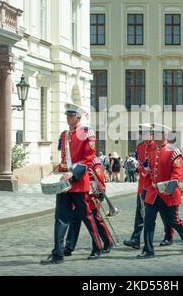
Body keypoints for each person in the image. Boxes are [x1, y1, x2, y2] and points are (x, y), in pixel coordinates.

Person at [41, 103, 103, 265]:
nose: (68, 118)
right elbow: (64, 160)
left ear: (78, 117)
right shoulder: (64, 135)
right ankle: (58, 252)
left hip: (79, 183)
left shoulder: (87, 133)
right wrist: (56, 172)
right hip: (64, 184)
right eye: (67, 115)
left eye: (71, 115)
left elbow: (88, 159)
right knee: (60, 218)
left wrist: (73, 173)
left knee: (87, 217)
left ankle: (97, 246)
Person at [137, 123, 183, 258]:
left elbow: (177, 174)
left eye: (157, 134)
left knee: (173, 221)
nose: (154, 137)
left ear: (164, 135)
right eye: (154, 134)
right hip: (153, 193)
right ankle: (148, 249)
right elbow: (149, 174)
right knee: (148, 220)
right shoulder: (152, 152)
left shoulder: (174, 151)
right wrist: (145, 191)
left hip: (168, 194)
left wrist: (170, 188)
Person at [64, 157, 113, 256]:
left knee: (95, 221)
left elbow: (100, 180)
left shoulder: (95, 162)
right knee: (74, 221)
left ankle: (107, 241)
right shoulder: (78, 160)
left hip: (92, 196)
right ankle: (69, 246)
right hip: (80, 194)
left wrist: (100, 197)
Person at [124, 123, 155, 249]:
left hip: (153, 185)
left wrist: (142, 167)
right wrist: (136, 166)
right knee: (140, 212)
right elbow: (140, 166)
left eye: (146, 133)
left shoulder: (156, 146)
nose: (144, 136)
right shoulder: (140, 147)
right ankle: (136, 239)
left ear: (152, 134)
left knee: (164, 213)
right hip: (142, 185)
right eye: (142, 133)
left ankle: (169, 235)